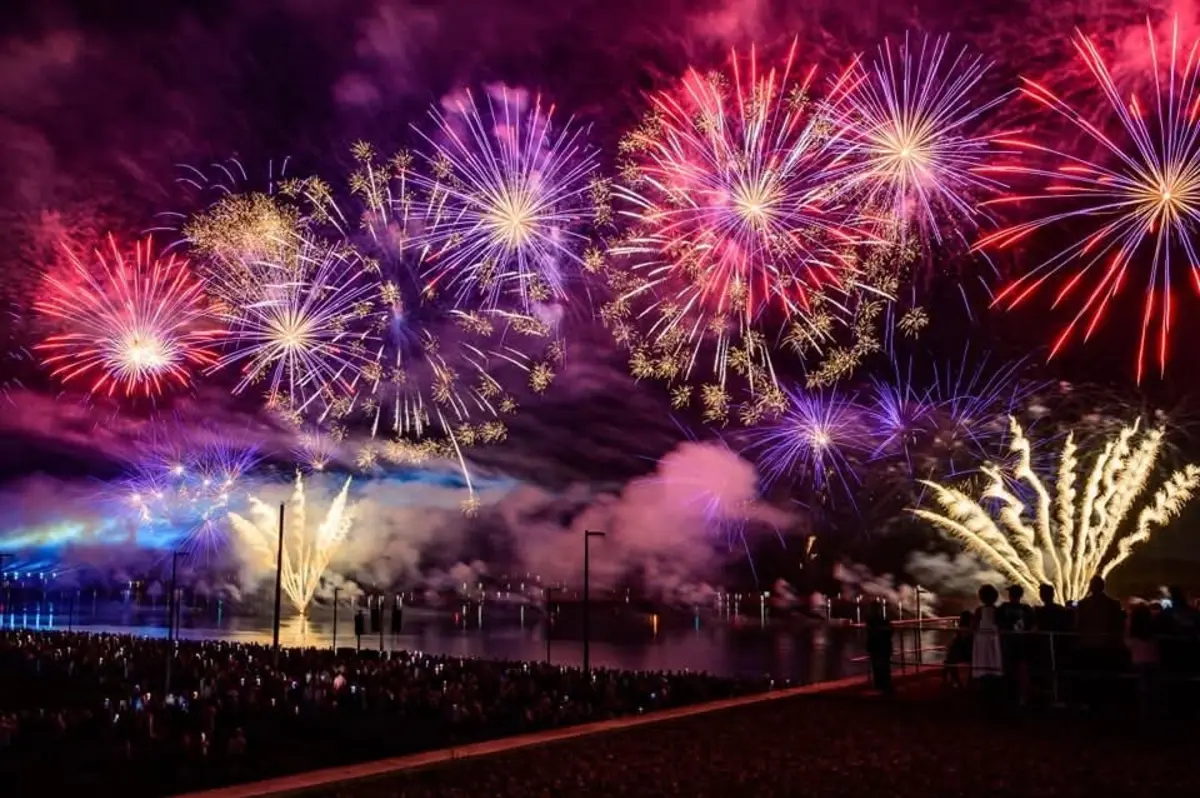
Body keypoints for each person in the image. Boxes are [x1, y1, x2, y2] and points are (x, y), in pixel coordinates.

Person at [1074, 575, 1125, 709]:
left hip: (1088, 645)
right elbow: (1118, 625)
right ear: (1103, 587)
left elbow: (1078, 625)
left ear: (1090, 587)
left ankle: (1091, 703)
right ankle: (1106, 702)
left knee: (1089, 676)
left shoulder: (1082, 604)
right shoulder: (1114, 604)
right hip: (1106, 646)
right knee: (1105, 676)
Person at [996, 584, 1035, 705]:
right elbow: (1032, 625)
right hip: (1023, 644)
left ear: (1010, 595)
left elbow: (997, 623)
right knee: (1022, 671)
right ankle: (1022, 697)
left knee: (1008, 670)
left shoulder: (1004, 608)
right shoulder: (1026, 609)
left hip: (1008, 644)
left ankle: (1008, 696)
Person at [1127, 603, 1159, 720]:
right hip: (1153, 659)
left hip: (1138, 660)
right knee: (1152, 686)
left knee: (1142, 687)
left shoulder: (1132, 630)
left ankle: (1143, 712)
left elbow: (1127, 643)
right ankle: (1151, 712)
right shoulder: (1153, 628)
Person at [971, 585, 1004, 702]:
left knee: (982, 662)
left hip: (982, 641)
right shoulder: (997, 611)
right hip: (994, 639)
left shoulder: (979, 611)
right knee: (994, 661)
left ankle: (983, 691)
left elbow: (974, 626)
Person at [865, 602, 894, 697]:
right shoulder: (884, 620)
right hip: (883, 647)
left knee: (878, 667)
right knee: (884, 668)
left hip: (876, 647)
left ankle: (880, 686)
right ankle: (886, 687)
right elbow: (890, 631)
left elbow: (871, 634)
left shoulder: (871, 622)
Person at [943, 611, 973, 688]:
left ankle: (954, 680)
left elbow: (959, 640)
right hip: (968, 651)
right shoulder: (970, 629)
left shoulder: (965, 630)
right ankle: (955, 680)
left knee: (951, 658)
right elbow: (958, 640)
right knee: (951, 656)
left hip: (966, 652)